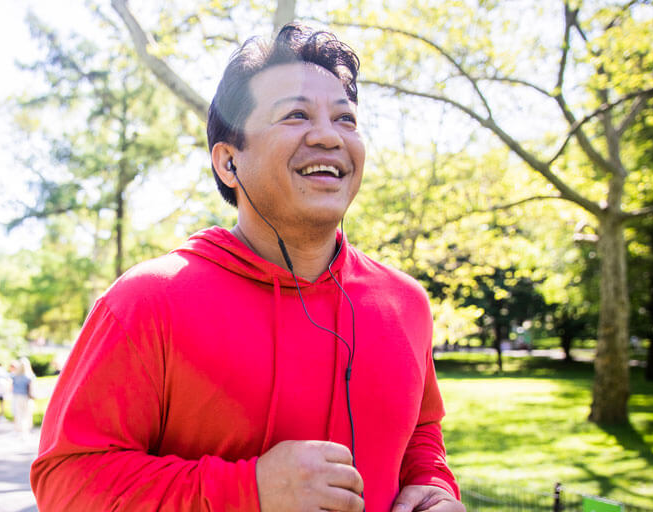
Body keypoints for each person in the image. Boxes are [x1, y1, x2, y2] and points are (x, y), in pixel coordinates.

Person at [30, 23, 463, 512]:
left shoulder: (406, 303)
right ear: (228, 163)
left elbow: (421, 436)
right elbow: (66, 482)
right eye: (296, 115)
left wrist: (435, 488)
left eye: (346, 120)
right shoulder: (147, 301)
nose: (328, 136)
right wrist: (248, 490)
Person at [10, 357, 36, 441]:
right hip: (26, 397)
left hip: (17, 397)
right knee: (26, 414)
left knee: (19, 414)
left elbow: (11, 387)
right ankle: (25, 432)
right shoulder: (30, 376)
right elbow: (31, 389)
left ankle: (20, 432)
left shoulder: (15, 376)